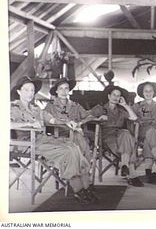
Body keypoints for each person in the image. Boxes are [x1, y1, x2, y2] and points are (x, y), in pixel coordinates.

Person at [10, 76, 97, 204]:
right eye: (26, 90)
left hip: (42, 139)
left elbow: (52, 119)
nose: (30, 93)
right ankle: (79, 190)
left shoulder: (36, 108)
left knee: (73, 147)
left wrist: (67, 122)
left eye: (32, 90)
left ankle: (86, 187)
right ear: (19, 91)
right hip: (28, 144)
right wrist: (28, 125)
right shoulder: (12, 107)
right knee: (67, 152)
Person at [90, 85, 144, 187]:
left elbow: (134, 118)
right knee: (130, 144)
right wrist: (98, 118)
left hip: (120, 135)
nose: (116, 97)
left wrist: (125, 105)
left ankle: (124, 165)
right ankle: (130, 174)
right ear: (109, 96)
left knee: (126, 133)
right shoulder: (100, 108)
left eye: (118, 96)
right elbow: (86, 116)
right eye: (114, 95)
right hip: (106, 136)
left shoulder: (121, 110)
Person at [45, 78, 98, 163]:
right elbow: (45, 120)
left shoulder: (75, 105)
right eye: (61, 88)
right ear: (57, 91)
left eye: (66, 88)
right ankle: (84, 162)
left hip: (76, 134)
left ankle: (81, 163)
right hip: (58, 135)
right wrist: (63, 123)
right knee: (78, 135)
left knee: (78, 134)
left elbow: (89, 115)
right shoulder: (50, 106)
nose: (63, 91)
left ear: (69, 90)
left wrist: (80, 123)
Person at [132, 81, 156, 178]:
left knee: (149, 139)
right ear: (142, 92)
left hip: (155, 132)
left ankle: (148, 170)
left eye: (150, 91)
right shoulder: (137, 106)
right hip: (141, 130)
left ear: (154, 92)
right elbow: (130, 117)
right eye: (146, 91)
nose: (148, 93)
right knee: (151, 133)